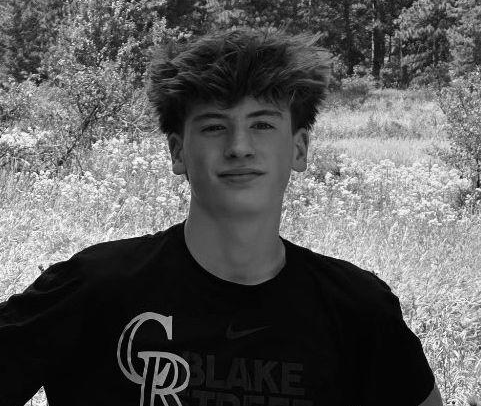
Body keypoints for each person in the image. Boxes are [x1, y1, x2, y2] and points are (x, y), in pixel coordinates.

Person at [0, 28, 442, 406]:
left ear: (299, 148)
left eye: (262, 124)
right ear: (178, 152)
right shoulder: (93, 289)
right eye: (214, 126)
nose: (239, 147)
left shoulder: (359, 311)